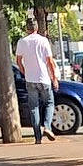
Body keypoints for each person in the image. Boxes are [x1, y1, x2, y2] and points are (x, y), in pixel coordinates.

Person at [14, 15, 59, 143]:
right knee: (49, 103)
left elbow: (18, 60)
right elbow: (49, 61)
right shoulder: (43, 41)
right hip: (44, 78)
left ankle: (37, 137)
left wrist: (24, 72)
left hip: (30, 79)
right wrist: (54, 77)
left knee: (34, 107)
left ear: (26, 29)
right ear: (37, 27)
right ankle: (47, 126)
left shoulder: (22, 42)